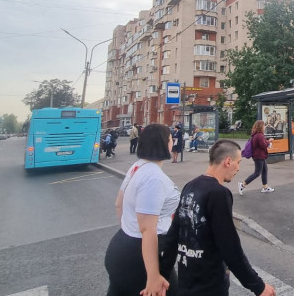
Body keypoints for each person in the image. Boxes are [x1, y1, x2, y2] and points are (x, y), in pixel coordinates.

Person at [163, 140, 275, 296]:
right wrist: (258, 286)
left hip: (186, 282)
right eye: (238, 162)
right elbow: (230, 246)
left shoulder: (190, 186)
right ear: (228, 161)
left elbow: (173, 234)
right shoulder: (219, 193)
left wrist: (161, 274)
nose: (238, 168)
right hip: (210, 285)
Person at [104, 124, 181, 296]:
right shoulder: (154, 178)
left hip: (123, 245)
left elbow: (118, 204)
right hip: (141, 259)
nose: (172, 142)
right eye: (170, 139)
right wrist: (152, 276)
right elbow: (147, 229)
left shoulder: (138, 166)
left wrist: (129, 230)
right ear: (164, 143)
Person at [238, 120, 275, 195]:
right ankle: (243, 184)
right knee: (257, 173)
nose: (264, 127)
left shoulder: (256, 134)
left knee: (265, 170)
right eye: (263, 125)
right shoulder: (259, 135)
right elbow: (263, 145)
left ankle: (265, 187)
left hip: (259, 155)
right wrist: (269, 141)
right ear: (260, 126)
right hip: (259, 156)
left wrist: (267, 142)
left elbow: (262, 143)